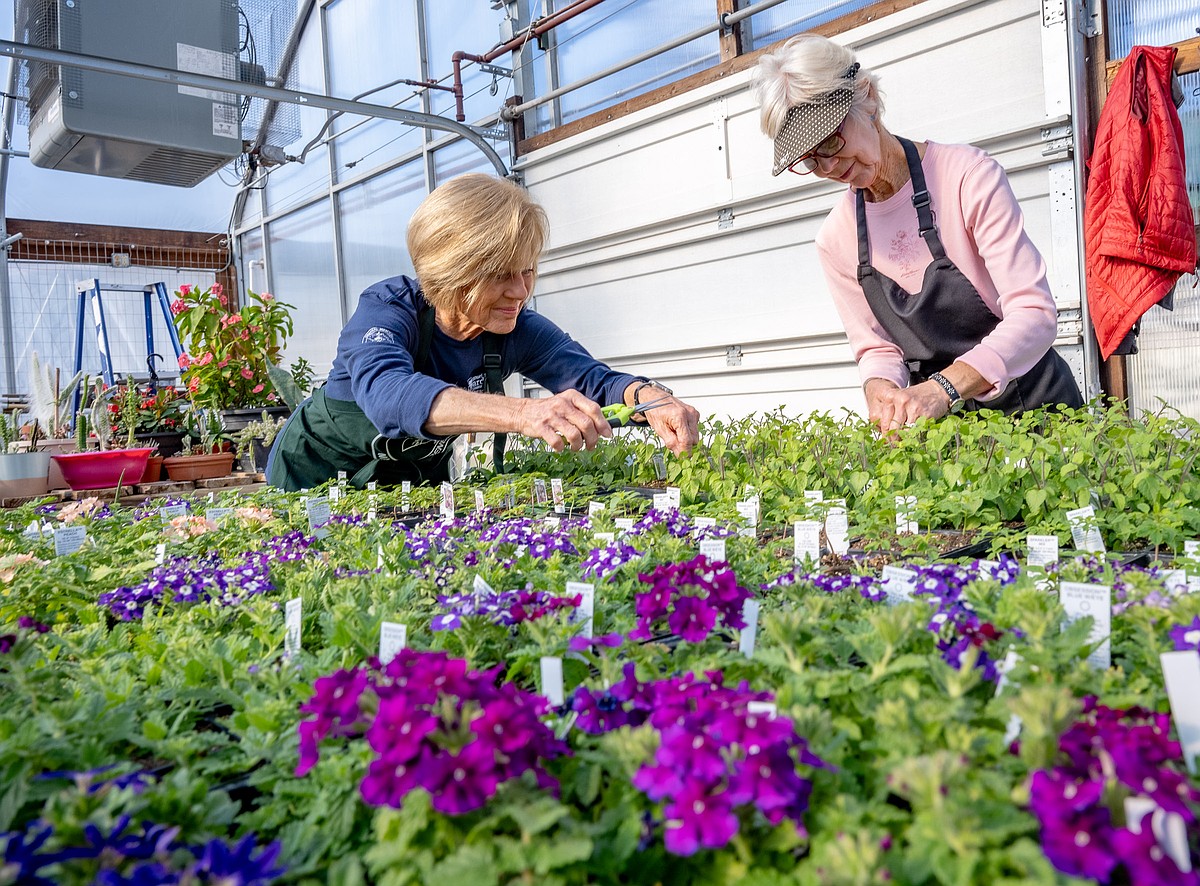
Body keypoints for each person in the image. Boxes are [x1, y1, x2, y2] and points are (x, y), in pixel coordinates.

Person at [267, 173, 699, 491]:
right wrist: (524, 414)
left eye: (527, 270)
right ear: (450, 274)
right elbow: (388, 394)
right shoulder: (387, 309)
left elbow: (594, 381)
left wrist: (651, 399)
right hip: (311, 478)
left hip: (405, 487)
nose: (521, 291)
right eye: (500, 275)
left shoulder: (517, 330)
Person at [754, 35, 1082, 433]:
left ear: (867, 97)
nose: (828, 166)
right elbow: (876, 347)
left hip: (1038, 410)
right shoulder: (836, 239)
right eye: (809, 160)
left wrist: (943, 388)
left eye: (831, 142)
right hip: (944, 434)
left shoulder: (966, 178)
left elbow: (1035, 314)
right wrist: (880, 391)